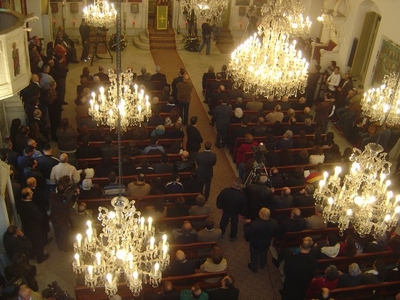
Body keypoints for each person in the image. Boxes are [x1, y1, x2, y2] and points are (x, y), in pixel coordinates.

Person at [17, 188, 49, 263]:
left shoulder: (19, 203)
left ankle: (32, 254)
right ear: (28, 196)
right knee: (38, 242)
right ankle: (40, 257)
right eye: (31, 193)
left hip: (26, 226)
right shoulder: (31, 207)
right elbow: (40, 216)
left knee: (30, 241)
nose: (32, 193)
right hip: (35, 227)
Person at [244, 207, 278, 273]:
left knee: (254, 254)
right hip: (266, 242)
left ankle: (254, 267)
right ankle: (262, 264)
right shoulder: (274, 223)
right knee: (264, 253)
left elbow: (247, 231)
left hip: (255, 243)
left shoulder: (255, 224)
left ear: (262, 215)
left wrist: (246, 224)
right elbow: (275, 232)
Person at [50, 179, 79, 252]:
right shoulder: (64, 199)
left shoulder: (52, 195)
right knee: (65, 233)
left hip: (54, 217)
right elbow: (69, 204)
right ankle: (66, 248)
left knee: (57, 233)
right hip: (63, 218)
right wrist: (74, 196)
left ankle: (60, 246)